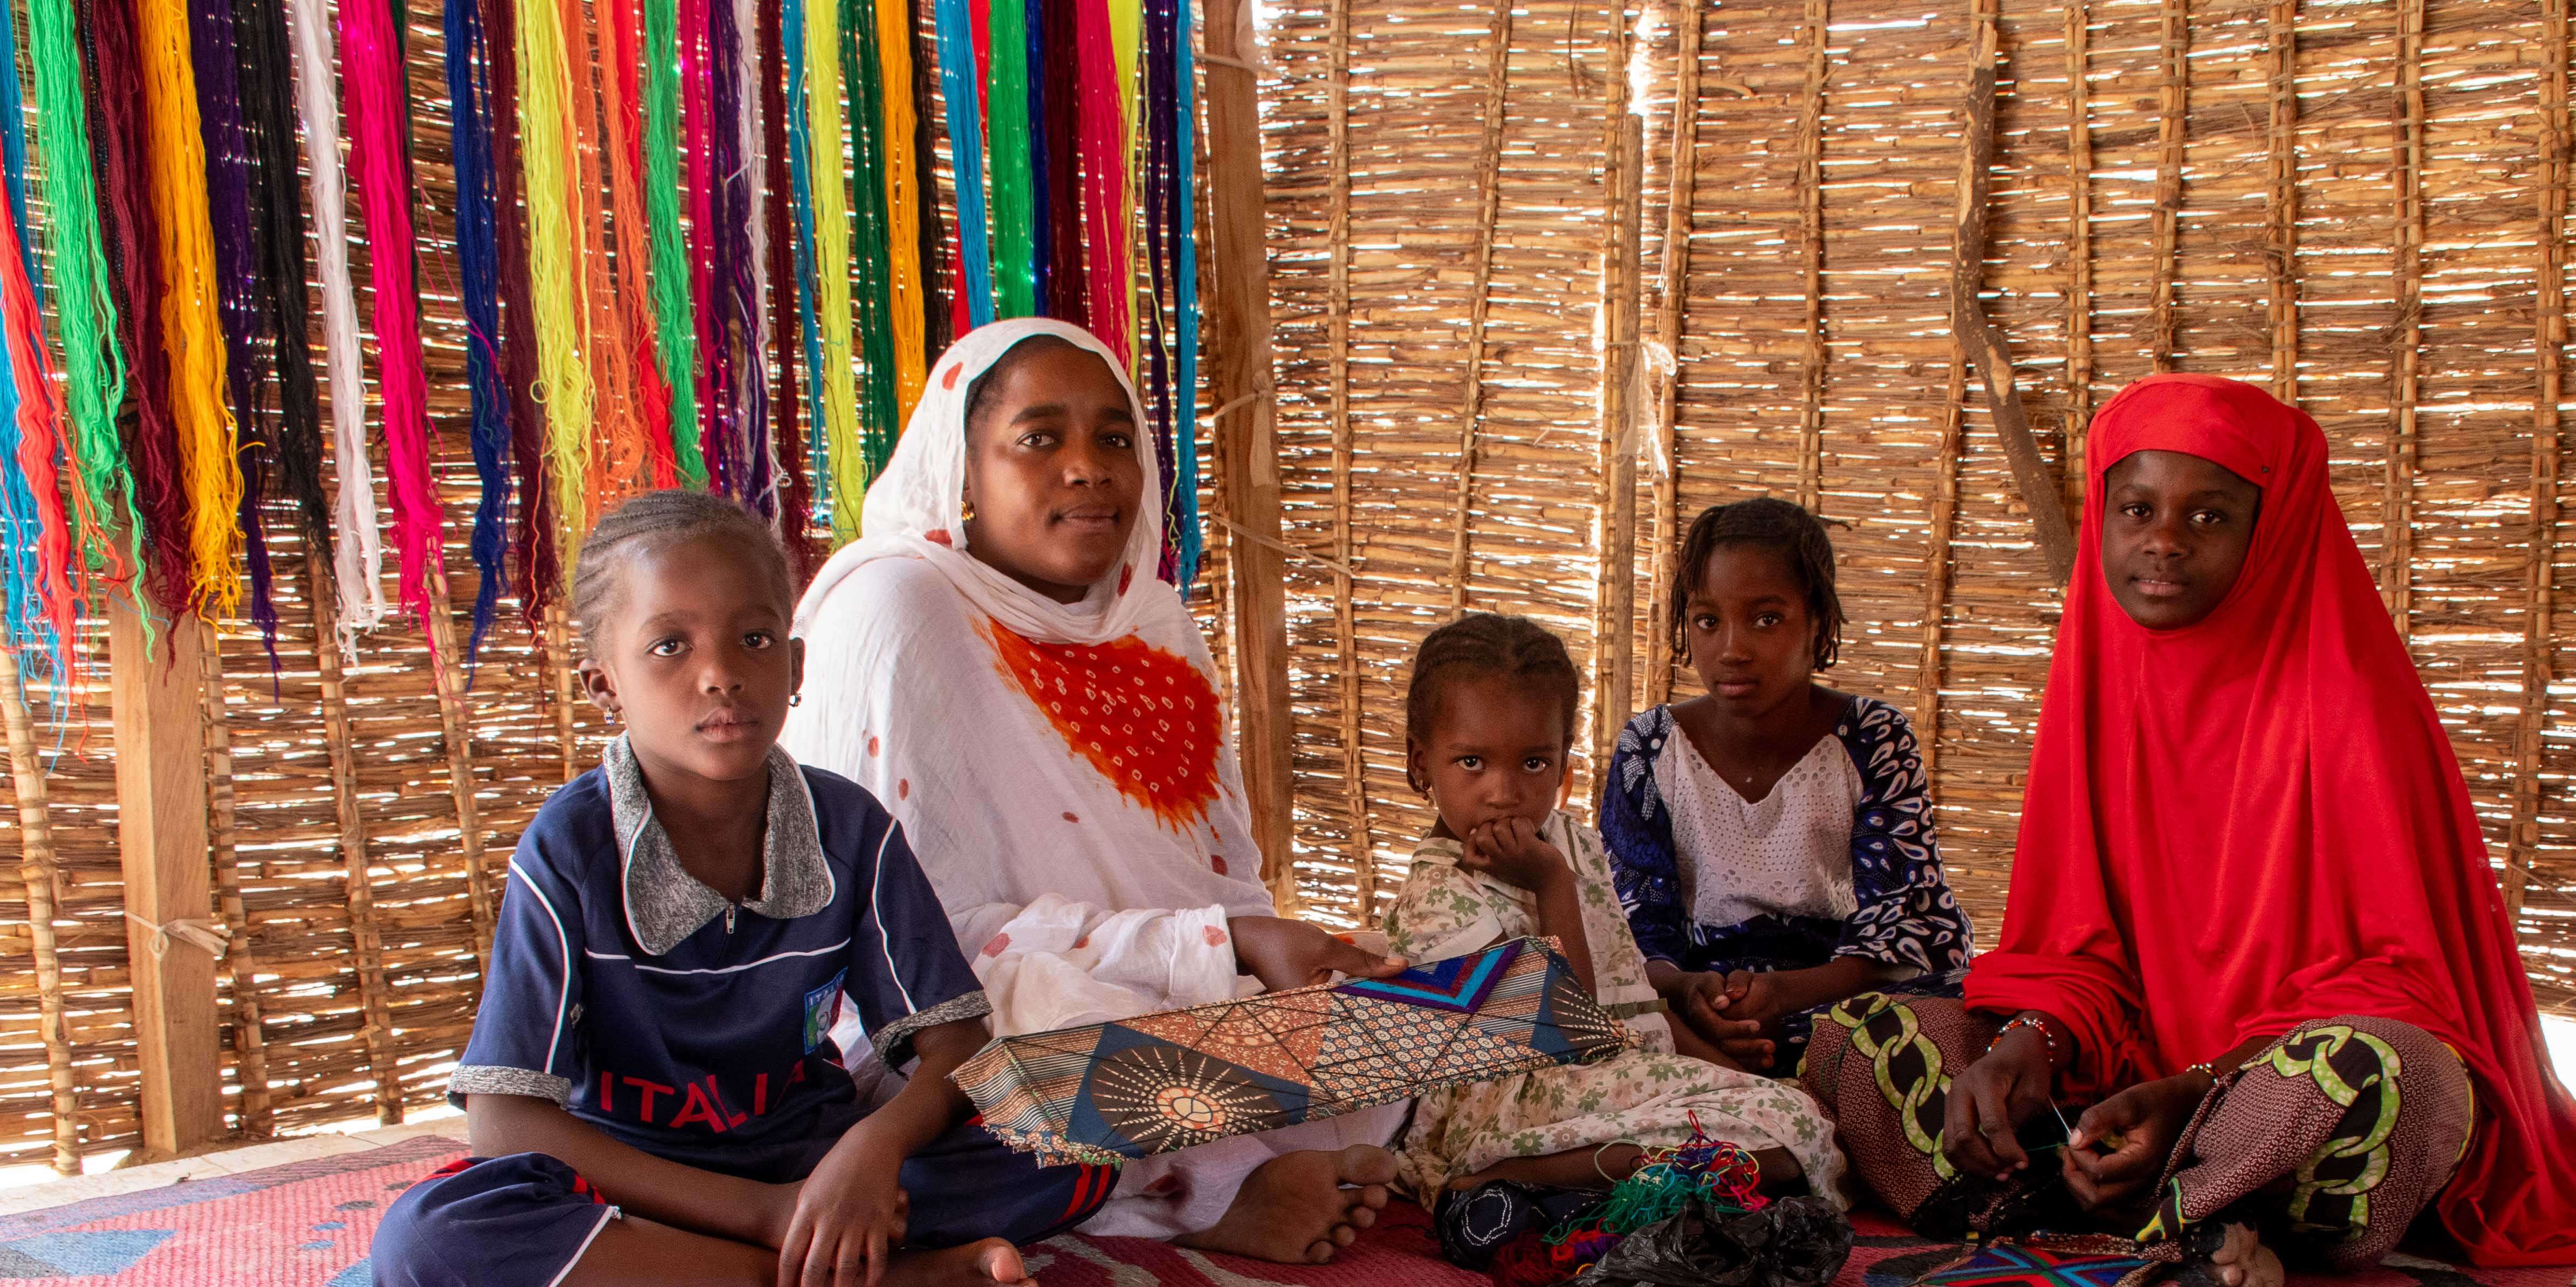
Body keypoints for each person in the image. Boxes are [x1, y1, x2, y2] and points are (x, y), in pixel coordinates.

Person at [1942, 374, 2576, 1285]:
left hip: (2265, 1085)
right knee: (1880, 1035)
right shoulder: (2096, 684)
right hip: (2116, 1085)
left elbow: (2398, 988)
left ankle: (2190, 1203)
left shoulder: (2347, 705)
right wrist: (2030, 1039)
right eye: (2135, 507)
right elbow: (2071, 948)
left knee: (2376, 1074)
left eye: (2209, 517)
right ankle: (2175, 1214)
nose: (2162, 542)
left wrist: (2196, 1086)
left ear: (2274, 530)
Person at [782, 318, 1403, 1265]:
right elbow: (911, 960)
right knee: (1062, 1022)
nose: (1088, 467)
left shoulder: (1151, 621)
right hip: (962, 1022)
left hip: (1164, 989)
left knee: (1385, 1004)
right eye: (1039, 439)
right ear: (963, 474)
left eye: (1115, 438)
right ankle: (1206, 1193)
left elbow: (1219, 876)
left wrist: (1285, 966)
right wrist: (1219, 947)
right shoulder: (896, 607)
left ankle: (1214, 1158)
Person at [370, 491, 1088, 1287]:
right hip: (635, 1180)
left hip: (810, 1152)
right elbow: (504, 1122)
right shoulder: (570, 846)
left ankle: (751, 1261)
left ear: (796, 664)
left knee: (1080, 1117)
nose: (721, 675)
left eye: (754, 639)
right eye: (670, 645)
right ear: (604, 685)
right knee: (432, 1236)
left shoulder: (849, 827)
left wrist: (867, 1153)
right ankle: (858, 1272)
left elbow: (956, 1048)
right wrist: (769, 1213)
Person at [1376, 612, 1844, 1207]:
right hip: (1508, 1109)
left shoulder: (1572, 842)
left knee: (1795, 1119)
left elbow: (1630, 995)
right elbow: (1565, 1033)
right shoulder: (1441, 893)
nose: (1503, 791)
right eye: (1472, 762)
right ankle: (1500, 1179)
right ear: (1421, 762)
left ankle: (1618, 1175)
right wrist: (1550, 884)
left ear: (1564, 759)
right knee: (1778, 1141)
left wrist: (1734, 1073)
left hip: (1610, 1072)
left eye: (1534, 762)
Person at [1601, 497, 1974, 1075]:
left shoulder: (1873, 739)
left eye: (1766, 619)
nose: (1732, 648)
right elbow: (1632, 921)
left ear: (1819, 623)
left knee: (1958, 1012)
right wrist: (1687, 992)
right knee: (1589, 1003)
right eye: (1707, 620)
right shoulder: (1649, 749)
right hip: (1692, 1002)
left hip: (1839, 997)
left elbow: (1902, 922)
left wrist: (1786, 994)